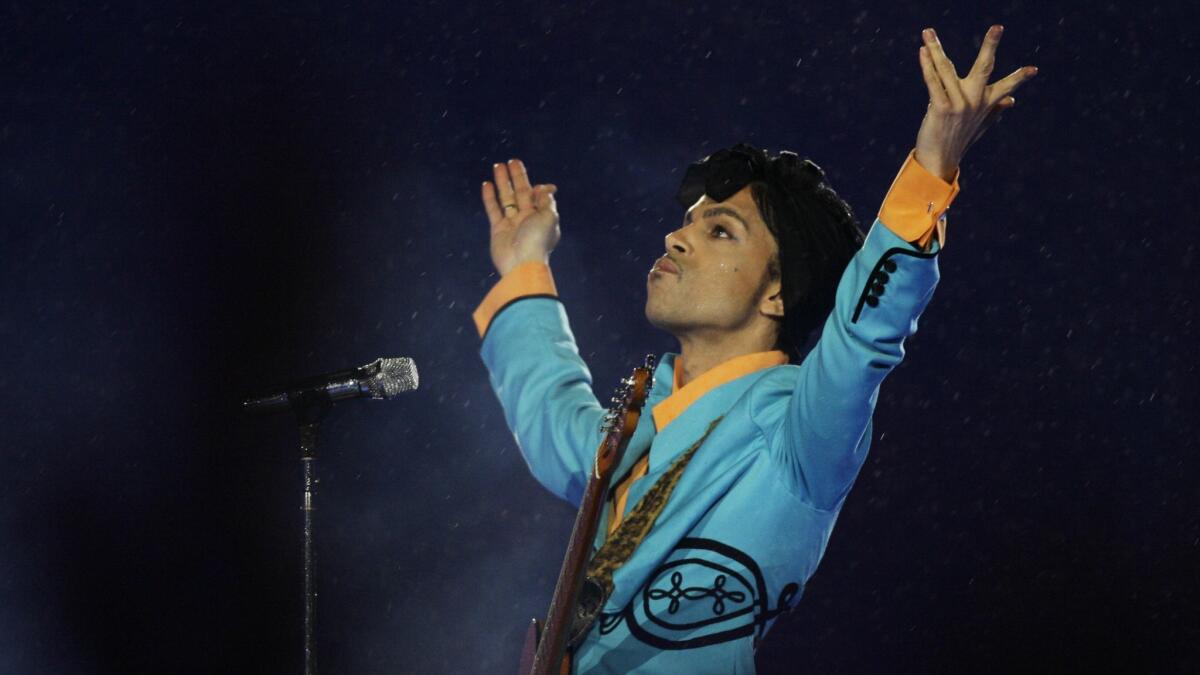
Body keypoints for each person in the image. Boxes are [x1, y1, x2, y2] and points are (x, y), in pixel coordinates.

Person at [473, 25, 1037, 674]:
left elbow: (861, 339)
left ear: (777, 293)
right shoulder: (636, 425)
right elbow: (552, 413)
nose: (677, 239)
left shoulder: (795, 432)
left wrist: (932, 167)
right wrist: (523, 266)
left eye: (719, 230)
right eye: (686, 223)